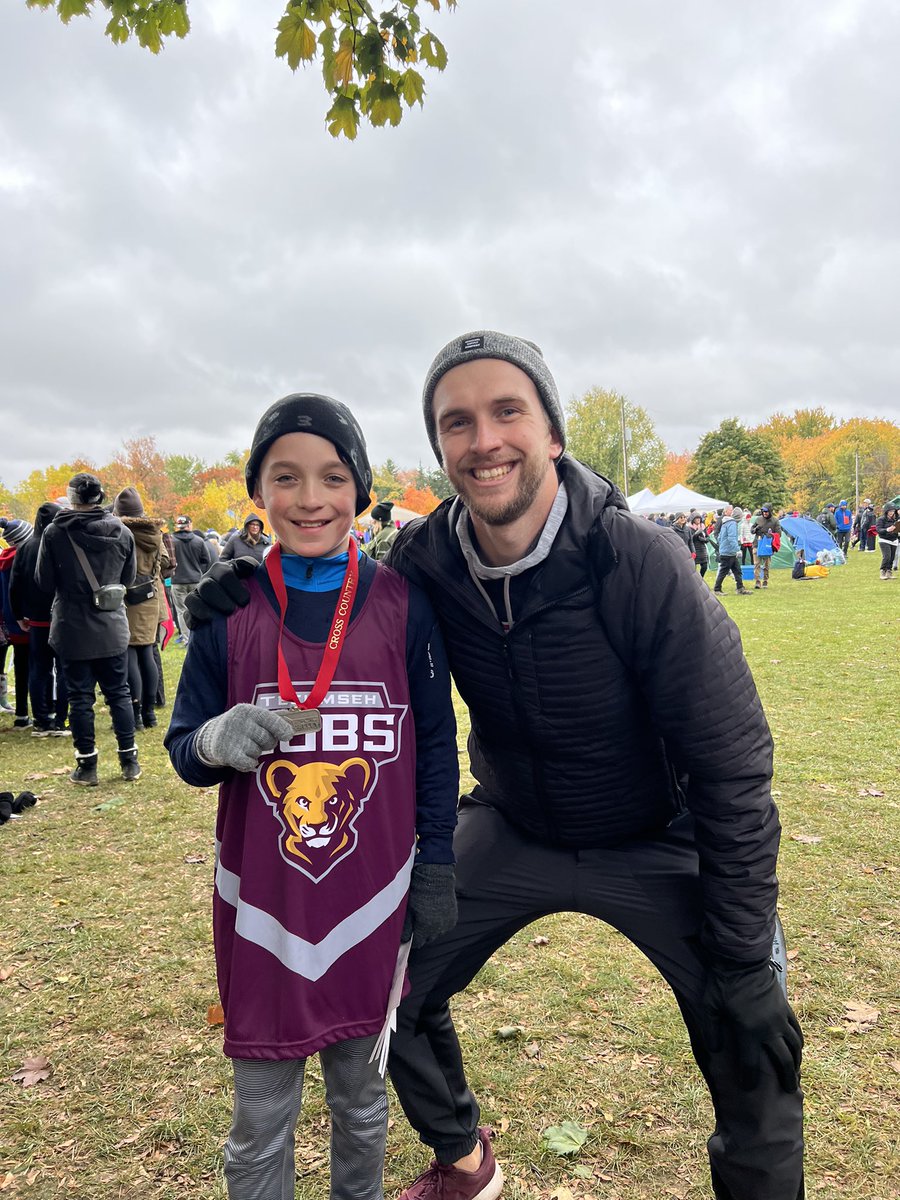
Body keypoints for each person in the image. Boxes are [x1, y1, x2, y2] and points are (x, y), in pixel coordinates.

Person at [190, 331, 804, 1200]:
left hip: (659, 835)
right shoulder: (425, 561)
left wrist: (744, 957)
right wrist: (248, 580)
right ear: (440, 448)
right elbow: (336, 587)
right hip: (516, 825)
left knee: (758, 1041)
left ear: (553, 432)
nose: (484, 440)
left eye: (507, 411)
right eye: (457, 422)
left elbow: (733, 765)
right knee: (385, 988)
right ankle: (464, 1158)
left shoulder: (642, 562)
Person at [165, 393, 460, 1200]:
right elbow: (183, 750)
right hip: (263, 909)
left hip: (373, 901)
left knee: (362, 1103)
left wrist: (436, 863)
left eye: (333, 478)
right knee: (262, 1119)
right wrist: (214, 741)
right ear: (258, 490)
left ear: (359, 491)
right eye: (285, 477)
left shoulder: (404, 605)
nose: (309, 499)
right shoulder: (229, 608)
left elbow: (434, 745)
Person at [35, 473, 140, 785]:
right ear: (100, 497)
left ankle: (87, 766)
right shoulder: (122, 531)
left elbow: (44, 582)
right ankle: (129, 762)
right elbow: (129, 579)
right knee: (119, 693)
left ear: (72, 497)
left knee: (80, 697)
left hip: (73, 626)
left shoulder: (55, 533)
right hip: (112, 625)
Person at [8, 503, 70, 736]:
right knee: (64, 670)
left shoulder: (25, 548)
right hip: (61, 617)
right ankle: (62, 720)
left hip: (36, 619)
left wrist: (18, 615)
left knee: (39, 669)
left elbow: (15, 585)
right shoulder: (62, 543)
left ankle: (41, 720)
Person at [112, 487, 170, 730]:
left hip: (127, 599)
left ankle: (135, 714)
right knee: (147, 653)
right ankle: (149, 713)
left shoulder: (118, 533)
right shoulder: (153, 532)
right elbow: (167, 562)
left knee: (130, 657)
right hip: (151, 598)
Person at [0, 518, 34, 727]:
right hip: (26, 622)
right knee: (36, 667)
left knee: (20, 669)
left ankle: (21, 714)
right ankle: (38, 710)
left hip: (8, 622)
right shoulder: (24, 560)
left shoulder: (3, 561)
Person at [170, 515, 212, 646]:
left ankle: (186, 638)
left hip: (177, 580)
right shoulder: (199, 541)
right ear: (189, 525)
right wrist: (199, 571)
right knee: (197, 608)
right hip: (195, 579)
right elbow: (206, 560)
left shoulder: (171, 541)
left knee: (182, 610)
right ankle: (200, 636)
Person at [712, 505, 751, 596]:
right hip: (729, 552)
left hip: (727, 551)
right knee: (724, 571)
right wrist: (737, 550)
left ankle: (740, 588)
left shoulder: (725, 522)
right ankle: (717, 589)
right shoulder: (732, 524)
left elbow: (720, 537)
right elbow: (732, 538)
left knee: (737, 570)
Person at [750, 504, 782, 590]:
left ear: (770, 511)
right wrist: (756, 529)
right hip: (757, 544)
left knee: (766, 565)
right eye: (763, 511)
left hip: (768, 545)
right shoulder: (758, 519)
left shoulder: (775, 521)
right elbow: (752, 530)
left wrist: (769, 535)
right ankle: (757, 581)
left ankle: (765, 580)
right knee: (757, 564)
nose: (765, 513)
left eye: (766, 511)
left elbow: (779, 534)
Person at [875, 503, 898, 579]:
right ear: (886, 511)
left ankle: (889, 572)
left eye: (893, 511)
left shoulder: (895, 519)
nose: (891, 513)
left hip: (894, 540)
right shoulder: (881, 519)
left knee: (892, 557)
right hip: (884, 540)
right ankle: (882, 571)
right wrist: (887, 530)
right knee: (887, 556)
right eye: (890, 511)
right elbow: (878, 530)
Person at [690, 513, 710, 578]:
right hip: (694, 549)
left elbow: (708, 538)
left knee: (704, 566)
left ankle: (701, 578)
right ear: (693, 520)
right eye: (696, 518)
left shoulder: (703, 527)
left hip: (702, 549)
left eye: (699, 518)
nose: (698, 519)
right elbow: (690, 539)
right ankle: (694, 580)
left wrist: (703, 539)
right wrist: (695, 535)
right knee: (693, 567)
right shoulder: (690, 528)